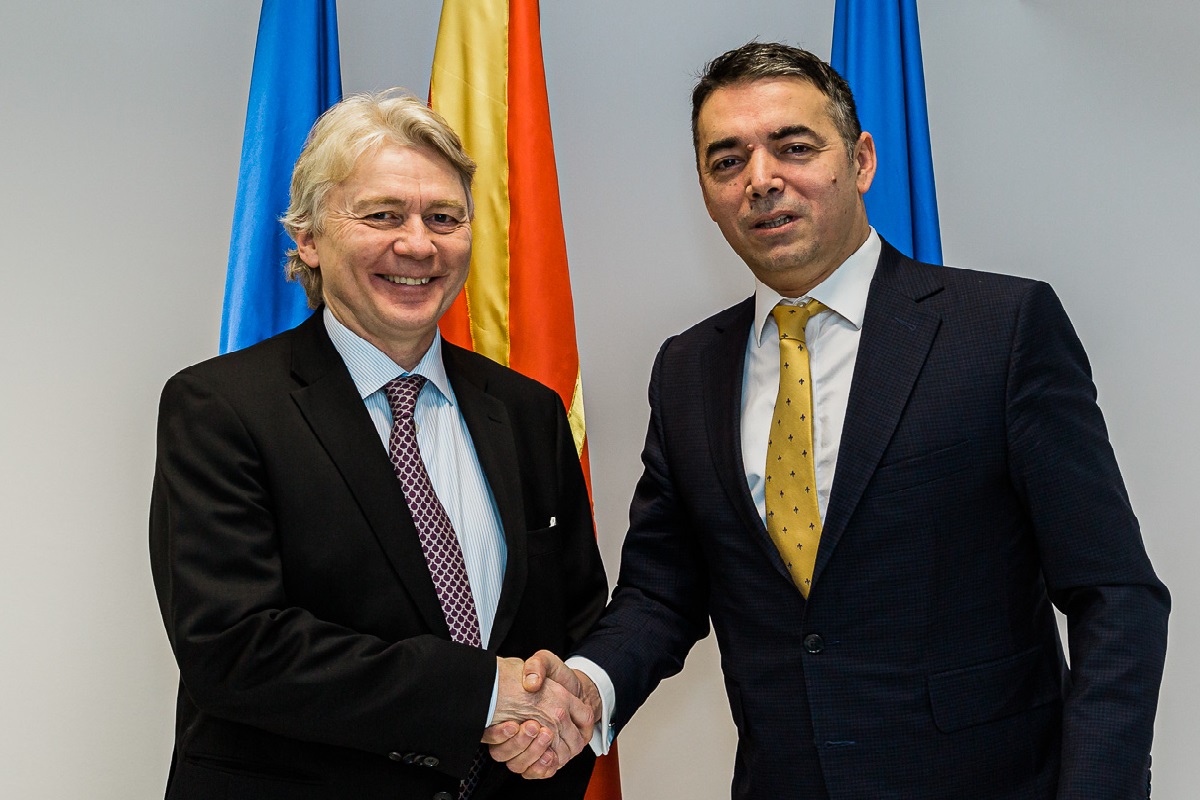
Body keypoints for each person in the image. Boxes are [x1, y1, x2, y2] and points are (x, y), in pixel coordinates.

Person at [491, 42, 1170, 799]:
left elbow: (1116, 595)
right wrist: (587, 685)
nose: (760, 179)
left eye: (794, 147)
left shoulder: (1000, 329)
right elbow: (660, 593)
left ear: (862, 160)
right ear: (706, 192)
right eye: (727, 161)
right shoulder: (687, 369)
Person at [149, 89, 607, 800]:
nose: (418, 245)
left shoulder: (528, 413)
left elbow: (576, 618)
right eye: (383, 215)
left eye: (444, 218)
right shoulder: (220, 408)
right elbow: (235, 648)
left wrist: (557, 720)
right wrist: (483, 692)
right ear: (308, 237)